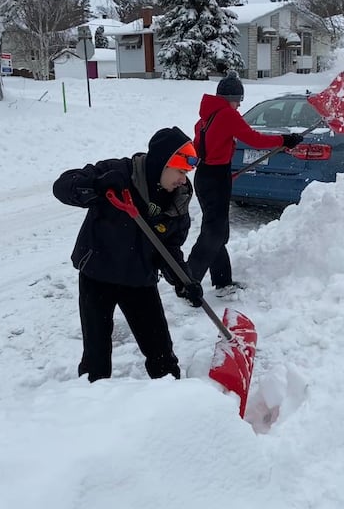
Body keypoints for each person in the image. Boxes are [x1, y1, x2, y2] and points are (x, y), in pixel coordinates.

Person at [53, 127, 205, 382]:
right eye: (180, 171)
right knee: (96, 358)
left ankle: (175, 405)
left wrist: (184, 280)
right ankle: (89, 404)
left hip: (139, 280)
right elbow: (62, 187)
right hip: (97, 276)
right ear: (162, 164)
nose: (183, 179)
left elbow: (168, 248)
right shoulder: (119, 173)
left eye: (186, 173)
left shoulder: (178, 199)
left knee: (161, 354)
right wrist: (97, 186)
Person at [186, 71, 303, 297]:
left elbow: (204, 148)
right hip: (215, 177)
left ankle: (222, 282)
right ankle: (188, 280)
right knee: (214, 233)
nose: (239, 105)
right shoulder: (226, 115)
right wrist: (284, 140)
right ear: (230, 97)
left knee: (217, 230)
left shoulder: (205, 117)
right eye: (238, 100)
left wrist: (221, 172)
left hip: (206, 175)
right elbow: (254, 139)